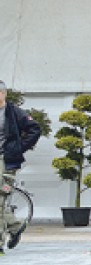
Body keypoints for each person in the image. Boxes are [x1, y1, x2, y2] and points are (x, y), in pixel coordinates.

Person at [1, 80, 42, 252]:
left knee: (0, 200)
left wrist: (19, 147)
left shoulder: (13, 112)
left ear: (3, 94)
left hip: (7, 160)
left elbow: (34, 129)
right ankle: (16, 227)